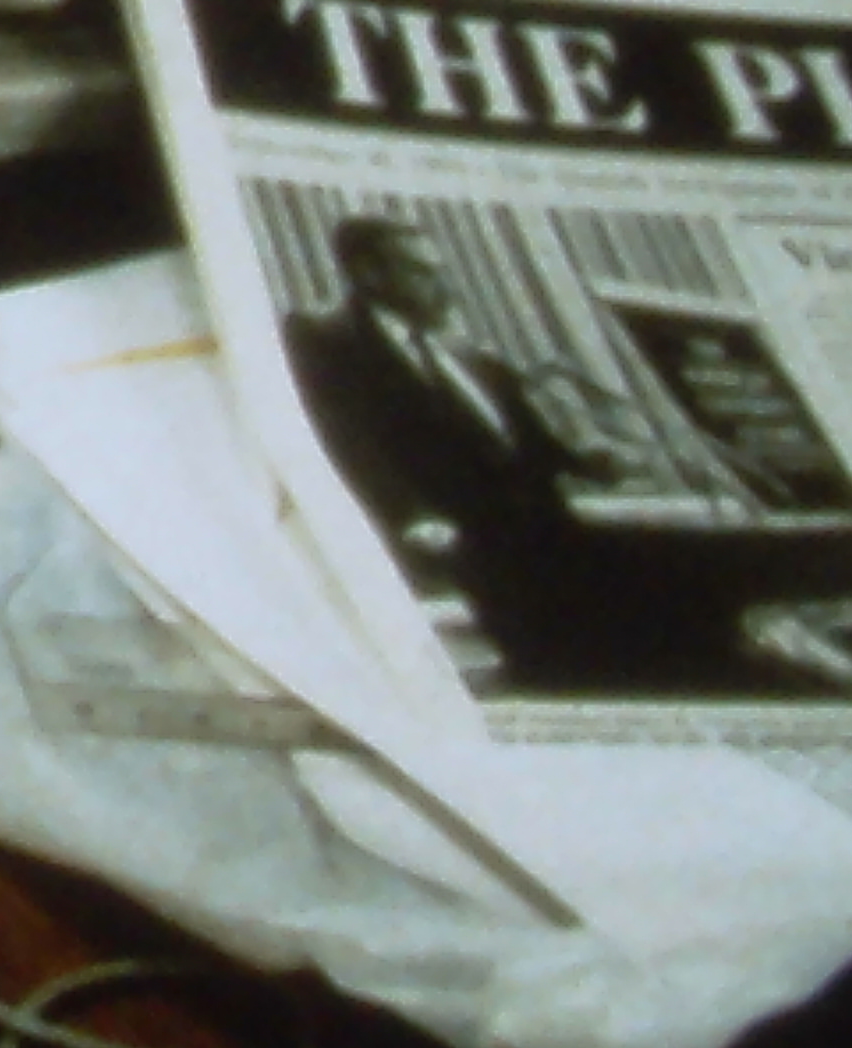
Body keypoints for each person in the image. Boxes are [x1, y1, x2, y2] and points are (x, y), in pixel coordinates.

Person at [283, 213, 663, 697]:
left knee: (622, 648)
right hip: (469, 539)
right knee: (555, 666)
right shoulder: (323, 338)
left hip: (549, 524)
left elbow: (516, 436)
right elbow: (345, 436)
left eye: (440, 269)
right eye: (421, 271)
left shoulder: (460, 348)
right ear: (368, 274)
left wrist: (584, 459)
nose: (442, 284)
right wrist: (410, 513)